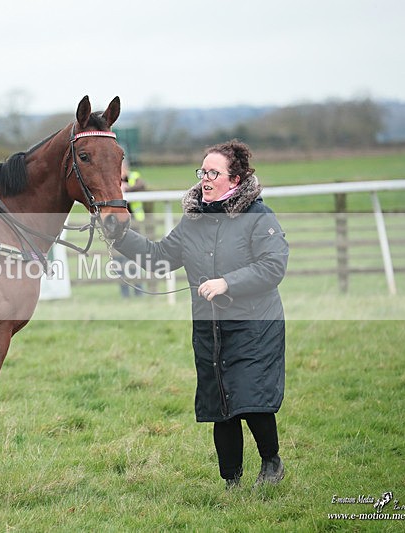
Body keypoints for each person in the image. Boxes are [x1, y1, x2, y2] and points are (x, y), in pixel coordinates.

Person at [113, 140, 288, 489]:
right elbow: (158, 257)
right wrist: (119, 236)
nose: (205, 179)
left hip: (255, 325)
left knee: (250, 398)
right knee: (221, 404)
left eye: (213, 172)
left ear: (234, 180)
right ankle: (231, 482)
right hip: (209, 328)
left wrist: (228, 282)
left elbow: (273, 266)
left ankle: (271, 463)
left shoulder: (258, 216)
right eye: (202, 171)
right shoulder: (193, 221)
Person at [116, 158, 147, 297]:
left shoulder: (134, 177)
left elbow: (142, 185)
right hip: (117, 224)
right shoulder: (112, 179)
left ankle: (138, 289)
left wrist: (127, 188)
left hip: (134, 223)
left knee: (135, 256)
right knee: (119, 258)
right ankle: (125, 292)